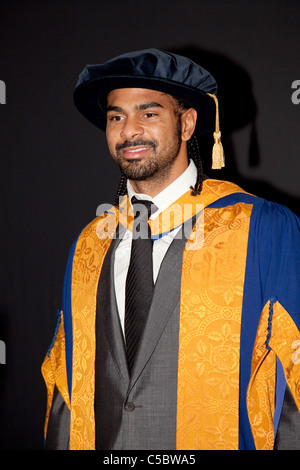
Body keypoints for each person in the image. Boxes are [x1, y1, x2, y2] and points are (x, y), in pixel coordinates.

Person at [42, 49, 300, 450]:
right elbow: (65, 387)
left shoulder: (261, 227)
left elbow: (294, 379)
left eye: (148, 114)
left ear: (187, 122)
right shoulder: (90, 244)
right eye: (116, 117)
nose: (129, 131)